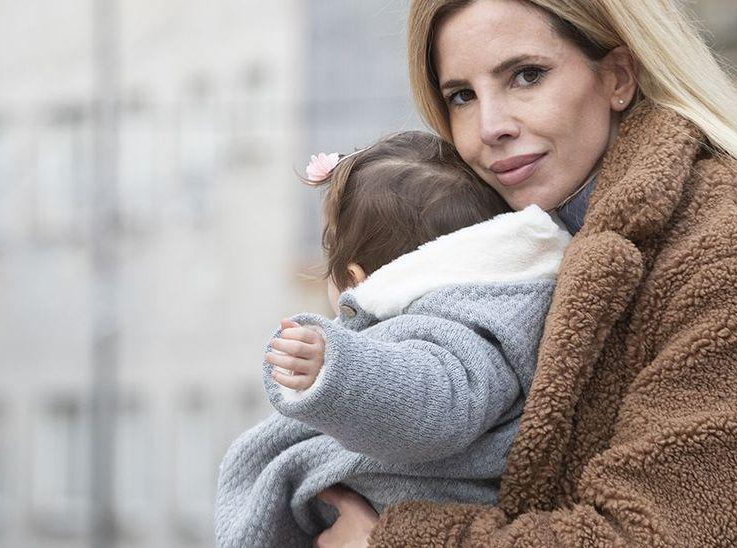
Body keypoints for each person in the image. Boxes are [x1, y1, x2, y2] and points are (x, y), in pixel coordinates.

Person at [313, 1, 737, 546]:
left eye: (526, 76)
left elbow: (653, 536)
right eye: (462, 96)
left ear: (618, 76)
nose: (490, 127)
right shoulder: (524, 242)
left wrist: (389, 541)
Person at [214, 130, 573, 547]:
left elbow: (437, 396)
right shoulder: (493, 302)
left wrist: (340, 371)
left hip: (425, 500)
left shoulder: (459, 323)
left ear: (354, 278)